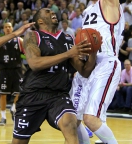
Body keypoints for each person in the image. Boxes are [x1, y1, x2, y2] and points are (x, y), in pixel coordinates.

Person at [12, 8, 96, 144]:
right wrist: (68, 54)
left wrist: (93, 51)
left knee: (70, 123)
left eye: (53, 11)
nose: (53, 13)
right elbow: (34, 64)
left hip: (58, 95)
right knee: (19, 142)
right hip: (33, 95)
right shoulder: (33, 36)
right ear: (40, 20)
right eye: (47, 11)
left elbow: (84, 71)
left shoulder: (68, 39)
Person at [69, 0, 125, 143]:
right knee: (72, 120)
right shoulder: (87, 11)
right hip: (88, 67)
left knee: (90, 119)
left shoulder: (109, 2)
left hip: (106, 63)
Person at [0, 22, 24, 125]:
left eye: (9, 27)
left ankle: (13, 108)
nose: (8, 28)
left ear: (12, 28)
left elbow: (28, 50)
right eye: (5, 27)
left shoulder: (19, 40)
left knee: (20, 93)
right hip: (4, 70)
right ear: (3, 29)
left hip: (17, 70)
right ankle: (3, 117)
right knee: (3, 94)